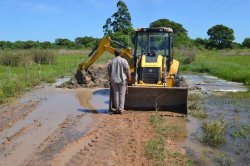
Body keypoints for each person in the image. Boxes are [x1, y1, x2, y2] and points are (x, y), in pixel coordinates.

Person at [108, 49, 131, 114]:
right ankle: (121, 109)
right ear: (120, 54)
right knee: (121, 94)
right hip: (122, 80)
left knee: (116, 94)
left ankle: (117, 109)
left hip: (114, 80)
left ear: (114, 54)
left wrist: (110, 79)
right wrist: (129, 78)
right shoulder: (124, 61)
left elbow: (109, 72)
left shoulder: (111, 61)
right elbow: (127, 69)